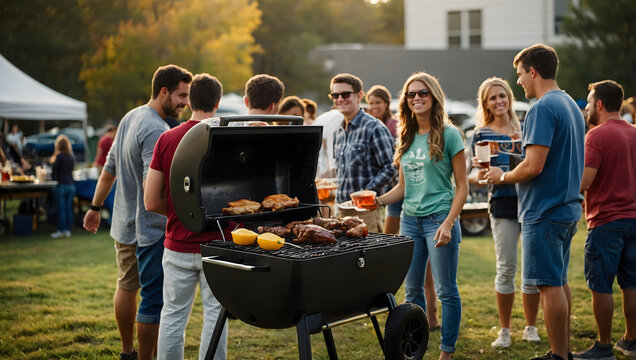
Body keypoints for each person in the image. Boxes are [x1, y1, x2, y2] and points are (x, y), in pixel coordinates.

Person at [83, 64, 192, 360]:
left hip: (122, 225)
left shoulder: (130, 117)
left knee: (127, 287)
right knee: (152, 300)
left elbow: (108, 169)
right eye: (182, 96)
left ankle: (127, 351)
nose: (186, 103)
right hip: (150, 229)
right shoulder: (156, 128)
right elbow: (151, 191)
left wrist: (95, 208)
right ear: (164, 91)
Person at [484, 44, 585, 360]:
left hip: (545, 210)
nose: (519, 83)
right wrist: (519, 160)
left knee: (548, 286)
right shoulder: (568, 103)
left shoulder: (542, 108)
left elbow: (534, 166)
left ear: (533, 71)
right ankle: (563, 350)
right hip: (567, 207)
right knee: (558, 281)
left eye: (520, 75)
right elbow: (548, 158)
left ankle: (558, 355)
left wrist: (501, 176)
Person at [375, 71, 467, 360]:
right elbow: (403, 187)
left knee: (446, 290)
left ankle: (447, 351)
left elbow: (462, 187)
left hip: (440, 219)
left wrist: (449, 223)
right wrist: (376, 201)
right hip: (410, 221)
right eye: (411, 94)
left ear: (434, 97)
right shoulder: (406, 135)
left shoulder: (450, 135)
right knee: (411, 292)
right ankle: (414, 348)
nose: (417, 98)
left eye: (422, 93)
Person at [145, 73, 233, 360]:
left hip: (177, 243)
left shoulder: (167, 138)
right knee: (215, 317)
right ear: (217, 102)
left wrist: (181, 212)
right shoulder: (228, 139)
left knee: (172, 316)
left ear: (190, 100)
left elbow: (151, 200)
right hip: (218, 245)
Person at [470, 77, 541, 348]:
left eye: (502, 96)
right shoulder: (481, 134)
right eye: (492, 98)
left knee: (532, 270)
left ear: (509, 98)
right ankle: (505, 330)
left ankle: (531, 326)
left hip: (531, 202)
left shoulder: (526, 129)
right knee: (506, 267)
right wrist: (483, 172)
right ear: (486, 103)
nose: (499, 101)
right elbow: (476, 177)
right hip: (502, 204)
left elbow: (536, 165)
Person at [572, 80, 636, 360]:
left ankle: (603, 345)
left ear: (599, 104)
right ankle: (632, 340)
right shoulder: (634, 133)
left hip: (606, 221)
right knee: (631, 283)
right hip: (634, 219)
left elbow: (584, 182)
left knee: (600, 285)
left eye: (588, 101)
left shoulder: (596, 136)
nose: (586, 107)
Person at [330, 73, 395, 232]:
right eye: (335, 95)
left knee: (369, 257)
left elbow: (391, 167)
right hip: (340, 211)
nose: (340, 99)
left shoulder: (374, 127)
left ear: (359, 95)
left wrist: (365, 194)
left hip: (365, 213)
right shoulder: (338, 131)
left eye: (345, 94)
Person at [50, 134, 75, 239]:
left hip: (62, 185)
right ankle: (68, 230)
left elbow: (54, 171)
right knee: (68, 209)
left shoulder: (59, 157)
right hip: (71, 186)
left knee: (62, 209)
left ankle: (61, 230)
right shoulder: (71, 157)